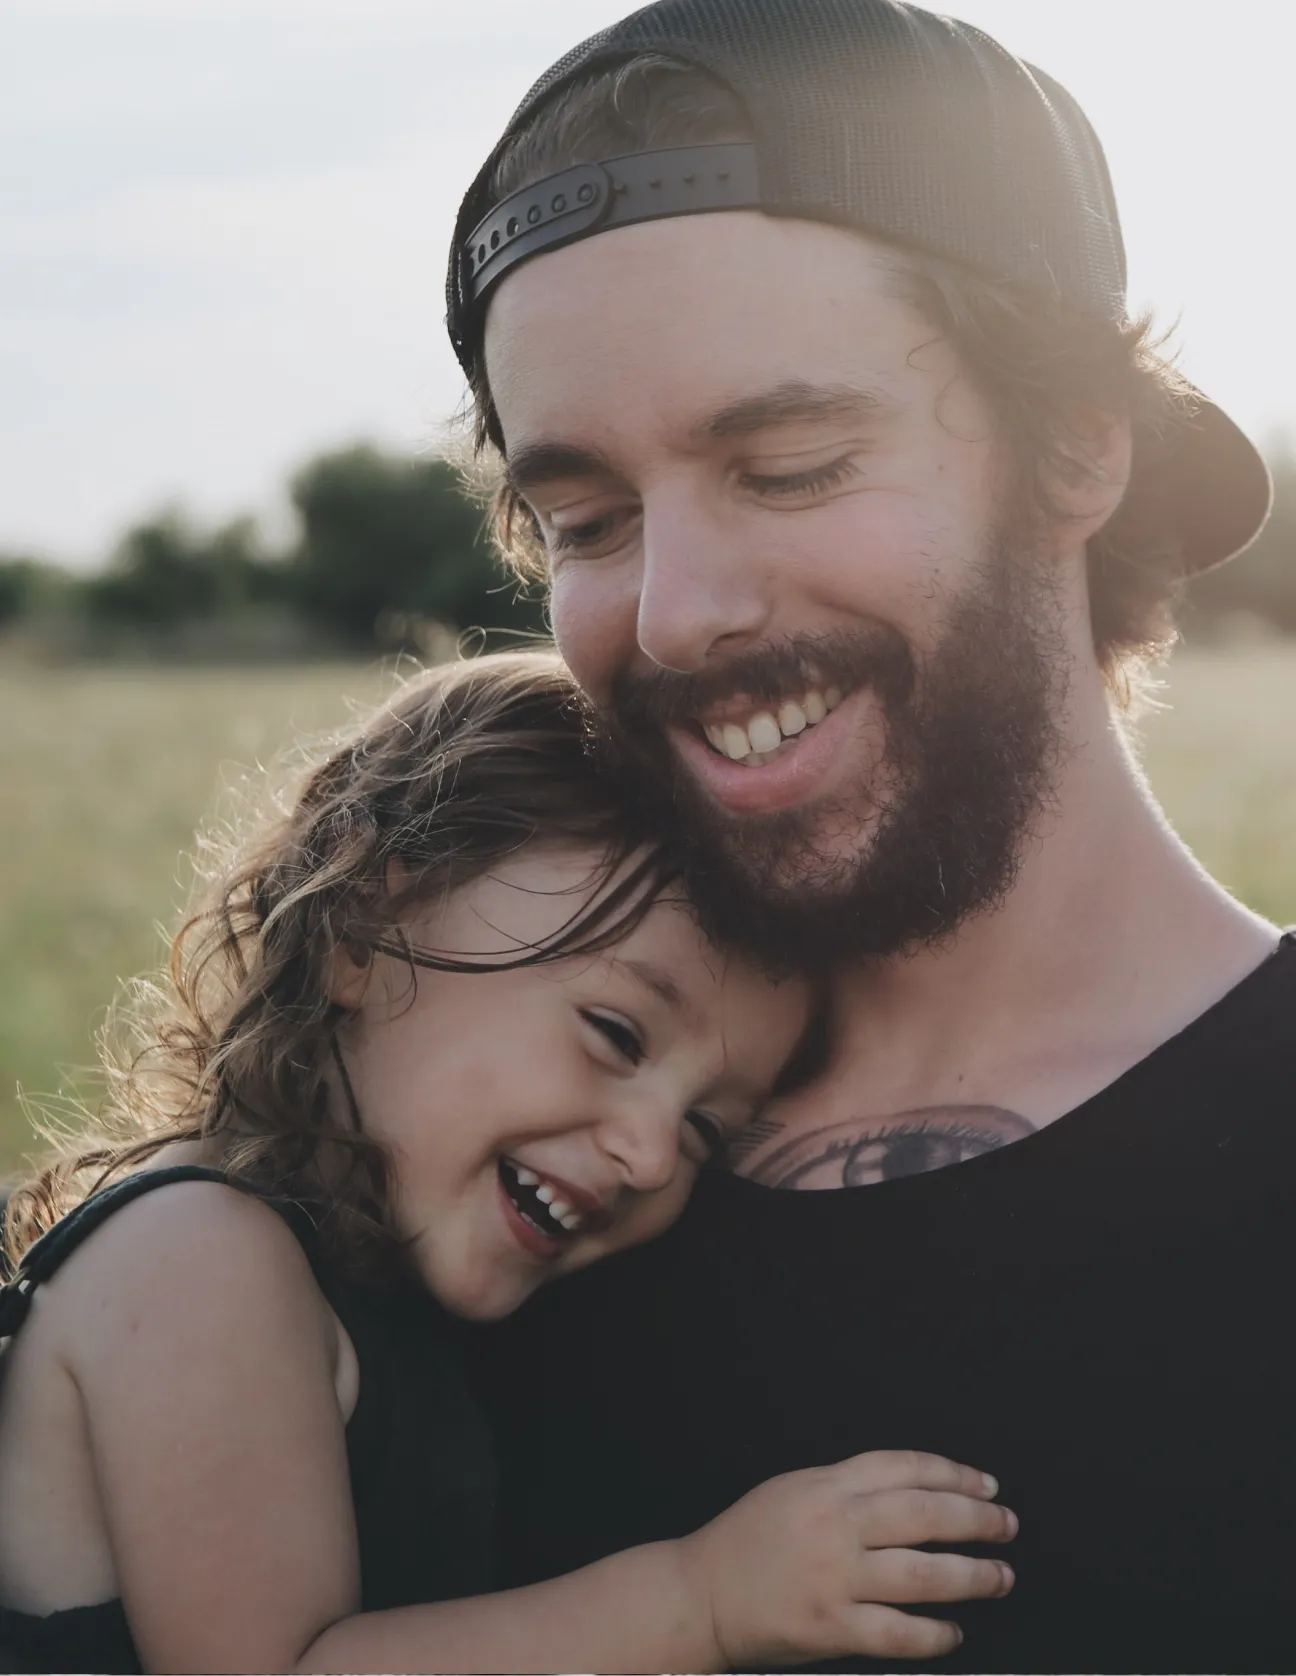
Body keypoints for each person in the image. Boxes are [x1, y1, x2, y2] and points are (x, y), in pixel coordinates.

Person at [446, 3, 1296, 1671]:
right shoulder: (487, 1144)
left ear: (1078, 449)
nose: (674, 615)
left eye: (790, 464)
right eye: (589, 522)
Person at [0, 650, 1019, 1675]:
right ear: (362, 925)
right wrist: (699, 1601)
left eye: (708, 1128)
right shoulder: (197, 1255)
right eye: (617, 1033)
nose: (651, 1149)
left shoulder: (375, 1299)